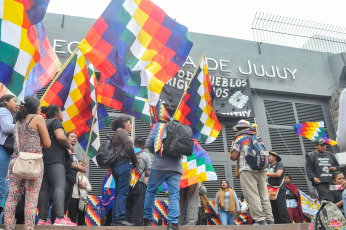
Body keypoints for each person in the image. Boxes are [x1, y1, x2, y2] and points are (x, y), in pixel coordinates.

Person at [4, 96, 51, 230]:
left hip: (16, 162)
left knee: (12, 196)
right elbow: (47, 143)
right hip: (34, 163)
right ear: (36, 107)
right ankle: (28, 227)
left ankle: (8, 226)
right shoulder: (38, 118)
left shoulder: (18, 122)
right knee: (31, 197)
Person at [230, 119, 274, 225]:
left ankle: (260, 220)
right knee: (264, 194)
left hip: (247, 169)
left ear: (239, 129)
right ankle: (270, 219)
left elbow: (234, 156)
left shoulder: (240, 138)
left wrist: (231, 151)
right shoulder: (257, 137)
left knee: (252, 195)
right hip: (262, 169)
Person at [37, 105, 75, 226]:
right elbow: (60, 136)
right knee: (60, 186)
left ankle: (43, 219)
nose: (62, 115)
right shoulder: (55, 122)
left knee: (44, 189)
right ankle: (60, 217)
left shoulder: (42, 122)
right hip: (55, 159)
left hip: (42, 159)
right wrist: (69, 145)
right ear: (56, 113)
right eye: (61, 112)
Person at [143, 125, 183, 230]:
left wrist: (157, 152)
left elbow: (149, 143)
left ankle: (147, 220)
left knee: (151, 191)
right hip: (176, 166)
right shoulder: (182, 125)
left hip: (159, 165)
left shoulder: (159, 125)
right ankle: (173, 223)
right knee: (174, 195)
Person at [110, 116, 138, 226]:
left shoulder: (116, 133)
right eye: (130, 123)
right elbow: (129, 147)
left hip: (116, 166)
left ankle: (115, 220)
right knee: (122, 192)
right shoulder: (122, 132)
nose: (131, 126)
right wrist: (135, 161)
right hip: (124, 164)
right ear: (125, 123)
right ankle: (120, 218)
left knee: (118, 193)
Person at [125, 137, 151, 226]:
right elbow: (148, 172)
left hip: (126, 183)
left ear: (134, 144)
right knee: (138, 207)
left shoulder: (127, 153)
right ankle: (137, 225)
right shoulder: (146, 155)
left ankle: (127, 224)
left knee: (127, 207)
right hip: (139, 183)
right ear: (144, 146)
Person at [0, 95, 18, 216]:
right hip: (2, 148)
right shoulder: (4, 110)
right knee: (1, 183)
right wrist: (25, 125)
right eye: (15, 101)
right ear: (5, 101)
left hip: (5, 150)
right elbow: (6, 127)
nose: (17, 104)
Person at [64, 132, 87, 221]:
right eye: (72, 137)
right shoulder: (65, 149)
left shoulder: (72, 151)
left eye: (76, 137)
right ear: (66, 138)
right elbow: (66, 163)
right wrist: (78, 166)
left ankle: (63, 217)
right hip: (65, 178)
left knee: (66, 201)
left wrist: (80, 168)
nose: (75, 138)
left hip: (71, 180)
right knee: (63, 200)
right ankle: (58, 218)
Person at [267, 151, 292, 224]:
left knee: (281, 208)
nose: (268, 157)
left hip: (279, 190)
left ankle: (288, 225)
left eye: (269, 155)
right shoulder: (268, 166)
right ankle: (277, 225)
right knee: (273, 209)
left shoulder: (279, 164)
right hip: (270, 190)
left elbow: (278, 174)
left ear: (275, 157)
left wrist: (267, 174)